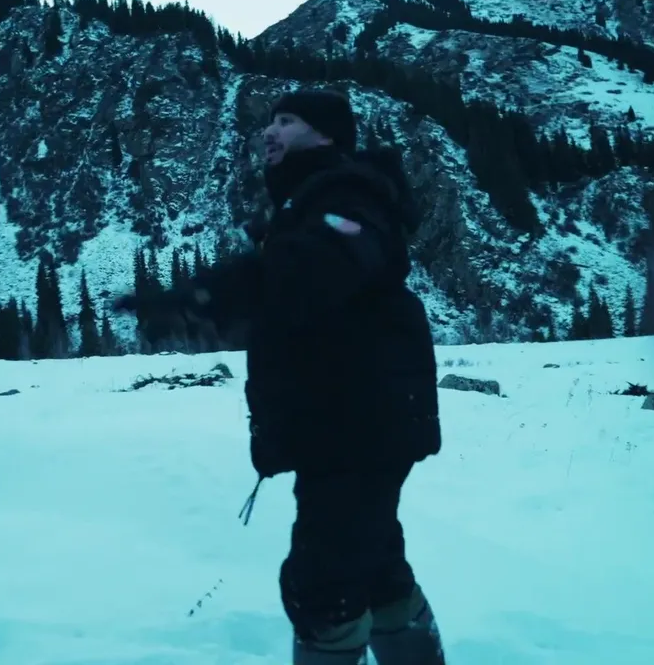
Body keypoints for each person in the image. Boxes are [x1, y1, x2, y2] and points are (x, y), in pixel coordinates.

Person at [113, 89, 445, 664]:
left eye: (287, 121)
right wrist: (198, 299)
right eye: (269, 122)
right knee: (375, 567)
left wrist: (204, 298)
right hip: (346, 423)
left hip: (360, 424)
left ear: (327, 135)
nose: (269, 131)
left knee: (323, 587)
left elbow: (307, 271)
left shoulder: (350, 197)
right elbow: (286, 278)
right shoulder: (309, 205)